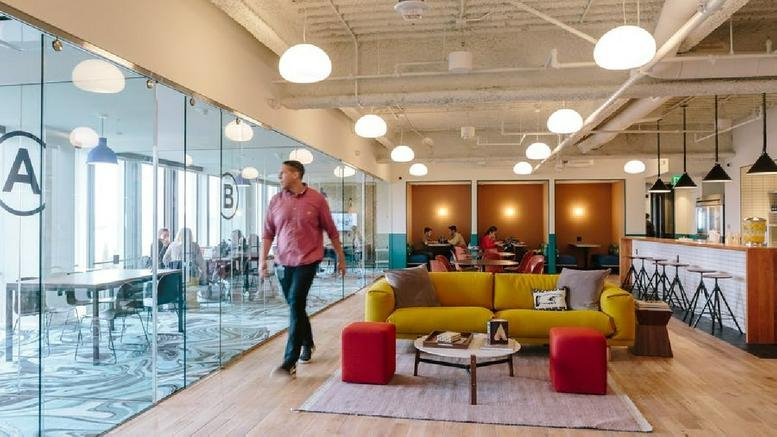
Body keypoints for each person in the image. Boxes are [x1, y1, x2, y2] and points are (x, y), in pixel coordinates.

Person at [261, 160, 345, 379]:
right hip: (283, 261)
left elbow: (332, 230)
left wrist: (341, 258)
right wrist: (263, 261)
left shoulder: (316, 199)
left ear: (296, 174)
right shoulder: (275, 201)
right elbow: (268, 233)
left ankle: (289, 361)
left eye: (283, 173)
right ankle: (307, 342)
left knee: (296, 302)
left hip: (308, 260)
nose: (279, 177)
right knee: (295, 306)